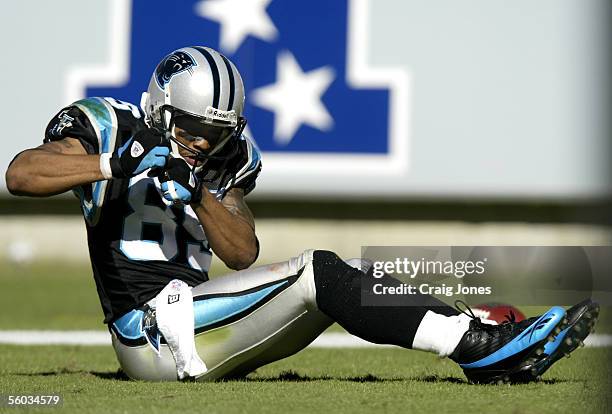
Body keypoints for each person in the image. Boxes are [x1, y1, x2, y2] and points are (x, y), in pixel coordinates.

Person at [5, 46, 599, 383]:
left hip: (204, 322)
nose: (201, 143)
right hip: (149, 335)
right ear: (162, 109)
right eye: (191, 129)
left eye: (215, 134)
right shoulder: (111, 125)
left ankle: (482, 328)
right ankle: (477, 345)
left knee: (337, 280)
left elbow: (241, 251)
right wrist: (118, 163)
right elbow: (22, 173)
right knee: (317, 271)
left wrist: (197, 191)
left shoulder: (220, 157)